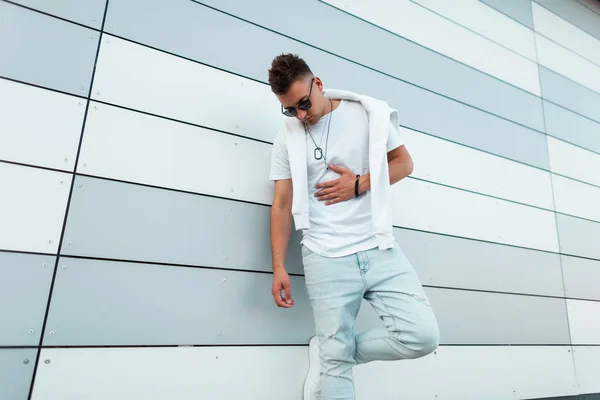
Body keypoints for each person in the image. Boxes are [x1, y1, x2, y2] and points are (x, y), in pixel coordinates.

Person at [267, 53, 440, 400]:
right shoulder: (286, 137)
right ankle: (333, 358)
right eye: (290, 109)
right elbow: (282, 204)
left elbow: (404, 163)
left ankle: (334, 355)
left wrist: (360, 183)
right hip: (324, 254)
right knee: (335, 368)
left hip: (377, 246)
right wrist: (278, 267)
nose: (301, 115)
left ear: (318, 84)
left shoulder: (366, 114)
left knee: (421, 335)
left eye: (304, 103)